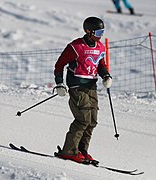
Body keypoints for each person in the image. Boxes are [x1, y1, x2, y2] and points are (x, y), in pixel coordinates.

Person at [54, 16, 112, 163]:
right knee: (82, 119)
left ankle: (81, 150)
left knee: (92, 120)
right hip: (77, 85)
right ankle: (69, 151)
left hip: (91, 85)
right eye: (98, 33)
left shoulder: (100, 47)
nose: (100, 36)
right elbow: (59, 65)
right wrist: (60, 83)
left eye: (102, 32)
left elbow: (100, 64)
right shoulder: (76, 46)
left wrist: (106, 75)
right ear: (88, 31)